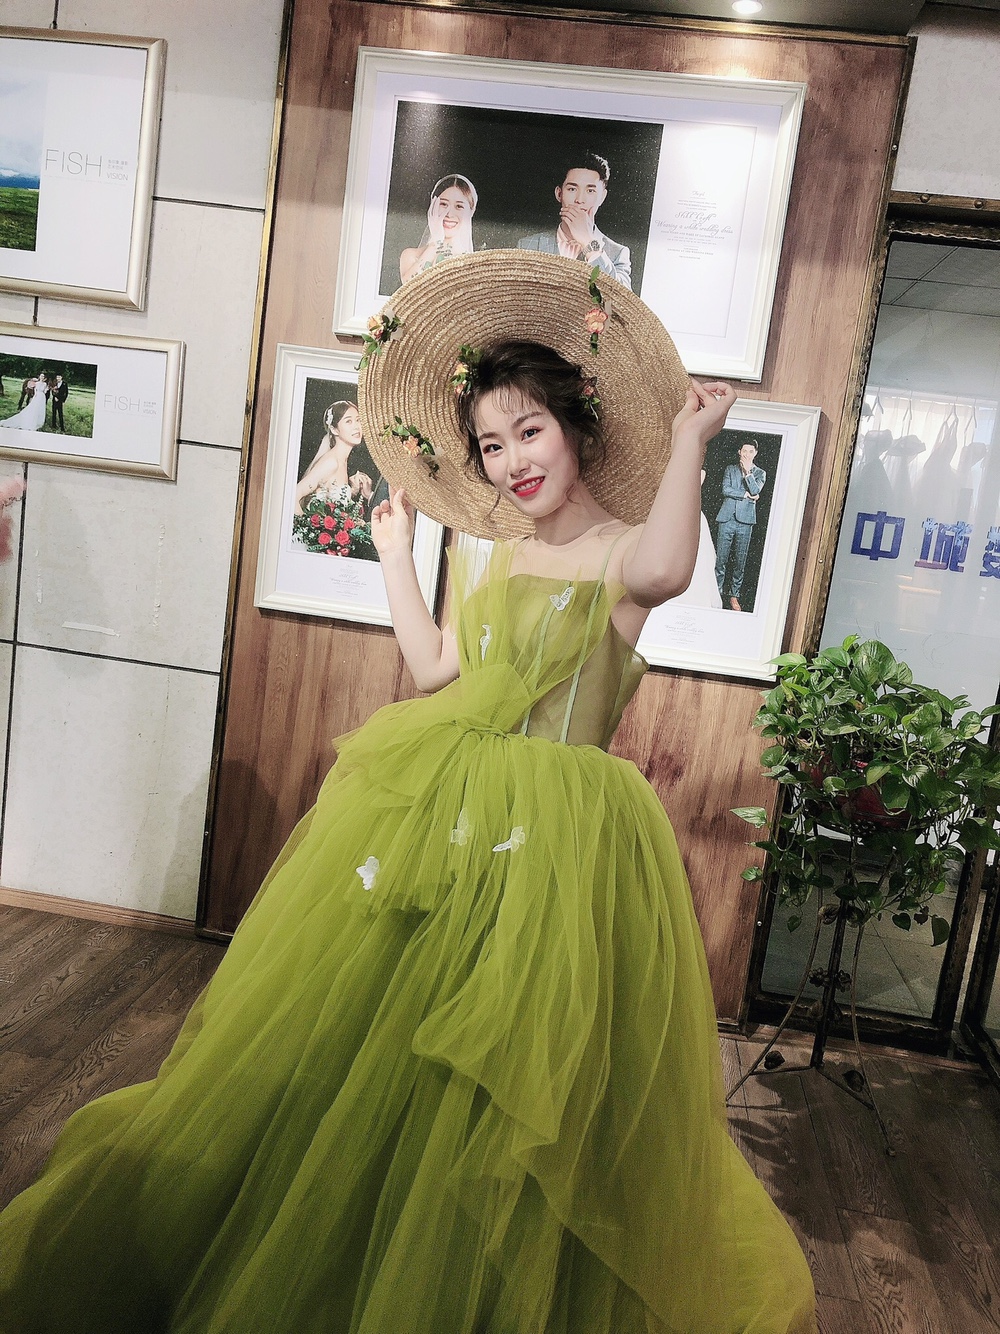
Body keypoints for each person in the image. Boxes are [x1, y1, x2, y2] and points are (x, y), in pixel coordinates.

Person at [0, 253, 816, 1334]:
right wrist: (394, 551)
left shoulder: (622, 554)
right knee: (386, 1040)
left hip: (559, 841)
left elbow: (668, 570)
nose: (512, 460)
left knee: (506, 1058)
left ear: (576, 429)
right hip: (455, 815)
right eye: (491, 444)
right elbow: (437, 670)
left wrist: (691, 445)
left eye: (529, 431)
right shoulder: (501, 555)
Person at [518, 151, 632, 289]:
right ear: (559, 194)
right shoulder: (528, 245)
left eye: (590, 191)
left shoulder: (618, 252)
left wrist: (589, 243)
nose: (580, 200)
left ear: (602, 197)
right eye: (572, 189)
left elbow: (621, 300)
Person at [293, 399, 376, 559]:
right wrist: (310, 534)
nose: (356, 427)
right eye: (348, 421)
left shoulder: (342, 461)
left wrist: (352, 490)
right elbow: (294, 495)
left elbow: (330, 498)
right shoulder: (331, 462)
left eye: (358, 420)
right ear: (334, 429)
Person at [715, 438, 767, 612]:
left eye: (751, 451)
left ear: (755, 453)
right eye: (744, 451)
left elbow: (756, 491)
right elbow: (726, 489)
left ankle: (734, 595)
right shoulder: (730, 469)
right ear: (739, 452)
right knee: (720, 559)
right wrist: (745, 495)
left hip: (745, 522)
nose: (747, 454)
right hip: (727, 518)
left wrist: (747, 472)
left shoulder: (760, 473)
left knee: (740, 561)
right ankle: (716, 593)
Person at [399, 173, 478, 283]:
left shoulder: (473, 264)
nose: (449, 214)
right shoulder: (411, 255)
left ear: (471, 211)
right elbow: (409, 286)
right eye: (443, 204)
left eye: (459, 206)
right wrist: (436, 242)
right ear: (432, 206)